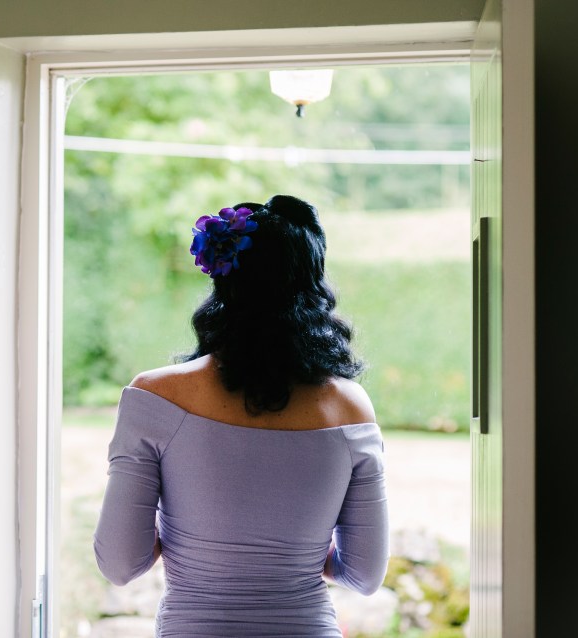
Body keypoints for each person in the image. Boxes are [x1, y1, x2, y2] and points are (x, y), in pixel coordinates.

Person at [93, 195, 390, 637]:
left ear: (224, 280)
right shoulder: (349, 407)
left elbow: (120, 564)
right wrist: (296, 553)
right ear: (312, 284)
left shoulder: (156, 397)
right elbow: (364, 575)